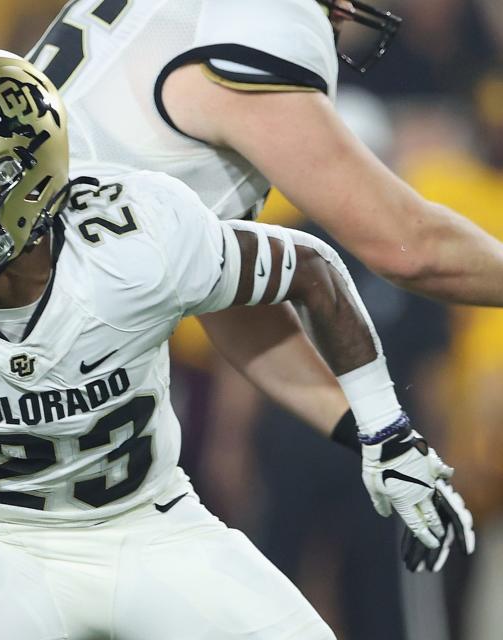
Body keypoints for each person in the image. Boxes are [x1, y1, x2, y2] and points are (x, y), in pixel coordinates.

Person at [0, 47, 458, 639]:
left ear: (21, 190)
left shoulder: (136, 240)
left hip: (153, 530)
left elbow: (308, 269)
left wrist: (385, 432)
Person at [25, 0, 476, 570]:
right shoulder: (253, 19)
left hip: (31, 367)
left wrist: (378, 436)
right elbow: (411, 247)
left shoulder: (163, 30)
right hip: (20, 384)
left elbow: (217, 291)